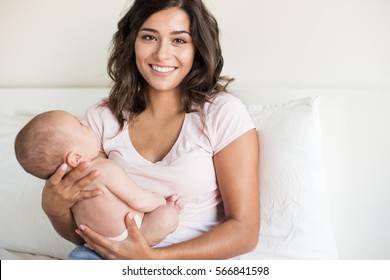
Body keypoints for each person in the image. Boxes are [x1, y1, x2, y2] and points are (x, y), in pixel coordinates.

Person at [41, 0, 260, 260]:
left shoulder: (222, 113)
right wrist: (54, 209)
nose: (162, 54)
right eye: (149, 37)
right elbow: (89, 231)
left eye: (179, 40)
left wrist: (151, 259)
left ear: (197, 48)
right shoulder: (102, 119)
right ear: (131, 42)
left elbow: (244, 232)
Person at [14, 110, 184, 259]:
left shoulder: (65, 188)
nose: (86, 122)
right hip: (133, 236)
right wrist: (162, 201)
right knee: (167, 217)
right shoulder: (103, 169)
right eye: (81, 125)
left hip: (93, 248)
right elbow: (139, 199)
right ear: (75, 158)